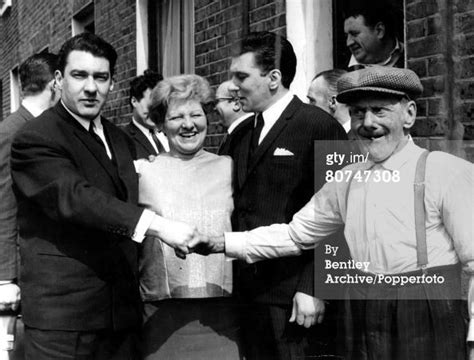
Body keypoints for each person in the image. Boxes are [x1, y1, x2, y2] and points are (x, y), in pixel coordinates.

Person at [191, 66, 473, 360]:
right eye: (358, 113)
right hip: (360, 311)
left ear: (409, 114)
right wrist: (223, 243)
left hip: (425, 310)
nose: (368, 123)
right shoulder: (347, 179)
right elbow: (295, 235)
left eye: (379, 110)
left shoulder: (446, 171)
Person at [10, 33, 198, 360]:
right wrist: (159, 226)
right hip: (64, 321)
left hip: (120, 316)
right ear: (58, 79)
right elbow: (75, 198)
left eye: (101, 77)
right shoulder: (35, 137)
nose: (91, 87)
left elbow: (135, 197)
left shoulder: (120, 139)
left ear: (112, 82)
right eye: (79, 75)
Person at [225, 31, 348, 359]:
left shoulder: (320, 127)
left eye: (242, 76)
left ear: (274, 77)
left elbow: (341, 217)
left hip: (295, 300)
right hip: (246, 296)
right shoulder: (239, 135)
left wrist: (314, 287)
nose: (233, 86)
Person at [136, 74, 241, 359]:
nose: (188, 124)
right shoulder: (142, 171)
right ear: (160, 124)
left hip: (222, 315)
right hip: (162, 316)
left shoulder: (229, 167)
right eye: (176, 117)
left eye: (196, 114)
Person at [0, 51, 59, 360]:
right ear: (54, 84)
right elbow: (3, 204)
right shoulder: (14, 131)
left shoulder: (44, 127)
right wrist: (5, 277)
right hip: (16, 275)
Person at [344, 0, 404, 68]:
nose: (348, 43)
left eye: (354, 34)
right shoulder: (342, 74)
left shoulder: (410, 57)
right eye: (346, 36)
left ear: (379, 31)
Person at [122, 69, 169, 158]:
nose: (156, 112)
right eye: (150, 106)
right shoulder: (122, 139)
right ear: (134, 101)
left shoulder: (170, 134)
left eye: (159, 107)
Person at [215, 80, 253, 155]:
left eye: (217, 101)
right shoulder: (239, 133)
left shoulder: (244, 135)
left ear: (236, 104)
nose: (214, 107)